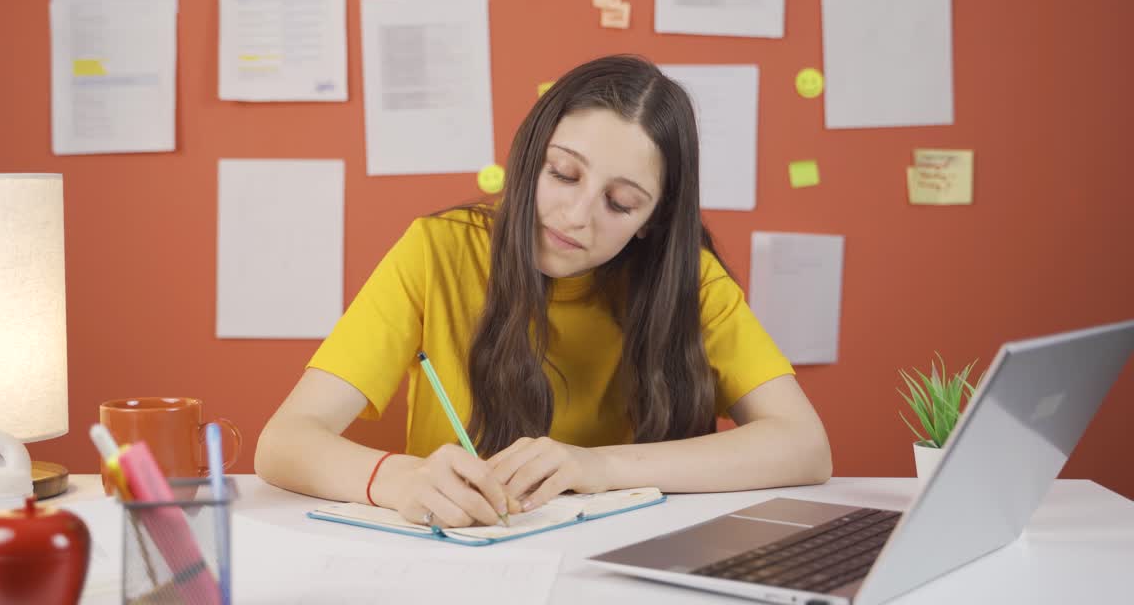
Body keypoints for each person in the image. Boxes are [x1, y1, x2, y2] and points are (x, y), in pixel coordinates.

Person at [256, 54, 832, 529]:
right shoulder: (439, 251)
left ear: (652, 220)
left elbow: (804, 446)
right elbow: (283, 442)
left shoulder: (690, 282)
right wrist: (398, 478)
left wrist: (596, 466)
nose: (576, 216)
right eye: (562, 173)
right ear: (531, 159)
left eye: (620, 203)